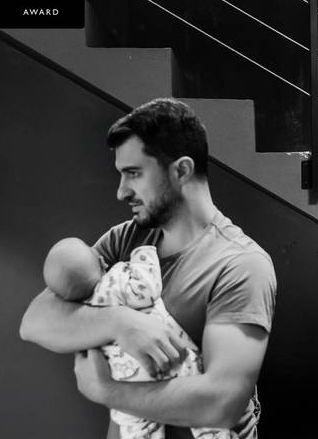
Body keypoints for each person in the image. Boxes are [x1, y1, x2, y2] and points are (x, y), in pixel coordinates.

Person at [20, 98, 277, 438]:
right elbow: (35, 321)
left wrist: (105, 390)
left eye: (134, 173)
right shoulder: (127, 239)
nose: (121, 191)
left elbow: (222, 403)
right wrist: (121, 322)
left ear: (181, 171)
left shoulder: (240, 264)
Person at [43, 237, 237, 439]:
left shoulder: (78, 314)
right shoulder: (116, 280)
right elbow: (147, 289)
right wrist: (143, 255)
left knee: (136, 427)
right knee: (197, 397)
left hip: (124, 376)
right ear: (101, 261)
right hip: (163, 359)